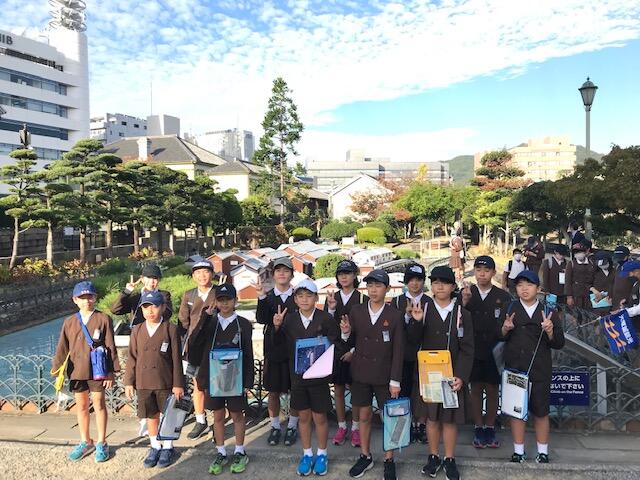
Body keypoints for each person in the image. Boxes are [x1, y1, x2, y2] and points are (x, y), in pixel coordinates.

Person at [274, 279, 343, 476]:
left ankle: (322, 454)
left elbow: (336, 345)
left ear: (316, 298)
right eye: (300, 296)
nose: (305, 300)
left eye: (309, 296)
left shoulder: (325, 319)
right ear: (295, 299)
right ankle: (306, 454)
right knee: (303, 417)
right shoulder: (289, 320)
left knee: (319, 417)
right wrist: (277, 328)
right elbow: (279, 347)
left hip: (319, 378)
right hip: (298, 378)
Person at [409, 266, 473, 480]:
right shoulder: (423, 309)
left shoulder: (462, 313)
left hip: (451, 374)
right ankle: (433, 456)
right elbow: (412, 341)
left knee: (449, 419)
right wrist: (416, 322)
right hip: (428, 373)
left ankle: (449, 458)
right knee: (431, 418)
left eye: (444, 282)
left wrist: (461, 376)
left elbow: (467, 348)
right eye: (435, 282)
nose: (440, 286)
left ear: (453, 287)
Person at [340, 269, 404, 480]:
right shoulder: (357, 311)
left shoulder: (394, 315)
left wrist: (395, 381)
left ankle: (389, 459)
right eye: (370, 285)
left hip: (385, 375)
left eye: (378, 286)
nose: (373, 290)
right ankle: (365, 455)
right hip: (361, 372)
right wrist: (346, 333)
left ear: (387, 288)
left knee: (389, 418)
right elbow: (350, 342)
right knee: (364, 415)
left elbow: (398, 350)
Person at [188, 283, 253, 475]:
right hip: (213, 376)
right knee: (217, 415)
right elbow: (195, 341)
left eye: (228, 300)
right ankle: (221, 451)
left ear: (235, 301)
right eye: (221, 300)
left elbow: (248, 354)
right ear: (215, 301)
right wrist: (205, 318)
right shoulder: (210, 322)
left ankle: (240, 451)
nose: (225, 304)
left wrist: (248, 381)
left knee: (237, 414)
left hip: (235, 376)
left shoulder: (243, 324)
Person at [51, 281, 120, 463]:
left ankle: (102, 442)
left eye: (90, 297)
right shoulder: (70, 322)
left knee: (99, 404)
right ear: (75, 300)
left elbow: (110, 346)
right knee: (81, 406)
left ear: (95, 298)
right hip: (76, 370)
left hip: (98, 370)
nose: (86, 301)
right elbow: (62, 347)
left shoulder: (103, 319)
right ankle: (85, 441)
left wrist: (111, 372)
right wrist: (56, 368)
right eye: (82, 298)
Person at [502, 270, 565, 464]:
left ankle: (543, 452)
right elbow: (498, 335)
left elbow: (559, 343)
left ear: (538, 289)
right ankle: (518, 451)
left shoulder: (549, 312)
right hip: (515, 368)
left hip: (540, 369)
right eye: (520, 285)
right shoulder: (510, 308)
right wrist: (505, 328)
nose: (524, 289)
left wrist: (550, 331)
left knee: (541, 412)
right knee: (516, 412)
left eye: (529, 285)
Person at [124, 290, 184, 469]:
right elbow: (132, 357)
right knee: (151, 415)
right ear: (141, 309)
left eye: (154, 306)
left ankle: (168, 447)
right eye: (146, 307)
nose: (150, 311)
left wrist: (178, 384)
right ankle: (155, 446)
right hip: (143, 381)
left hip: (165, 380)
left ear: (163, 307)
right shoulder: (137, 330)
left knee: (168, 415)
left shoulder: (170, 329)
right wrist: (129, 381)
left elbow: (176, 359)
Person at [461, 256, 511, 450]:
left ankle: (490, 426)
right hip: (472, 349)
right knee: (475, 389)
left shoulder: (503, 296)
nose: (482, 274)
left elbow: (506, 323)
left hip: (494, 348)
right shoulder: (467, 293)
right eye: (478, 269)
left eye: (486, 270)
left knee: (492, 389)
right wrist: (464, 302)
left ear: (493, 273)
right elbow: (458, 319)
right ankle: (478, 426)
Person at [255, 257, 299, 446]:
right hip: (273, 349)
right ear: (273, 275)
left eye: (286, 270)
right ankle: (274, 426)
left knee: (295, 389)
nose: (282, 274)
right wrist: (261, 297)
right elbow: (261, 318)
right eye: (278, 270)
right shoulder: (268, 296)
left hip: (293, 349)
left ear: (292, 275)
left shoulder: (298, 296)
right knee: (273, 391)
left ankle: (292, 425)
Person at [324, 259, 368, 448]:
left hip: (357, 350)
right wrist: (331, 309)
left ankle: (356, 427)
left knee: (356, 391)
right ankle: (342, 426)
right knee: (339, 389)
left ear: (354, 276)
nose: (344, 277)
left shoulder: (362, 299)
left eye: (348, 273)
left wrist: (354, 351)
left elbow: (366, 330)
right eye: (341, 274)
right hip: (337, 349)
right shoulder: (332, 298)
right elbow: (326, 325)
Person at [391, 262, 431, 444]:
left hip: (424, 353)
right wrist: (407, 316)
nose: (415, 283)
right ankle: (405, 424)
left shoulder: (429, 302)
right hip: (403, 355)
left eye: (419, 279)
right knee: (404, 390)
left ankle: (421, 424)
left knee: (423, 392)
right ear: (406, 281)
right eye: (411, 280)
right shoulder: (397, 301)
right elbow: (394, 329)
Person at [178, 259, 217, 439]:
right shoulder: (189, 295)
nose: (202, 276)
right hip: (194, 345)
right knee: (198, 384)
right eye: (198, 272)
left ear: (212, 274)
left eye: (206, 272)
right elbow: (183, 321)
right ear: (193, 276)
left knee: (216, 384)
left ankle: (218, 420)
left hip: (215, 343)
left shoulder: (219, 293)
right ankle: (200, 420)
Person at [111, 263, 173, 330]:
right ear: (142, 279)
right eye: (148, 277)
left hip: (157, 330)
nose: (151, 281)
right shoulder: (135, 296)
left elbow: (168, 313)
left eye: (155, 278)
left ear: (159, 280)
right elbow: (115, 310)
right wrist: (126, 292)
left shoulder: (163, 295)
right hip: (137, 332)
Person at [564, 242, 595, 311]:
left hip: (588, 294)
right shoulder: (571, 263)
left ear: (585, 252)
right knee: (576, 313)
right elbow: (567, 281)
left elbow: (593, 278)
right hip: (576, 295)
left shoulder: (591, 263)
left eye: (580, 252)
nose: (578, 254)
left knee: (588, 313)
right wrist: (569, 296)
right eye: (576, 252)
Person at [590, 252, 615, 316]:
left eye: (604, 264)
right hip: (597, 304)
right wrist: (593, 289)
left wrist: (611, 296)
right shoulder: (594, 272)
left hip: (611, 303)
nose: (603, 266)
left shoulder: (614, 271)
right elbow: (587, 283)